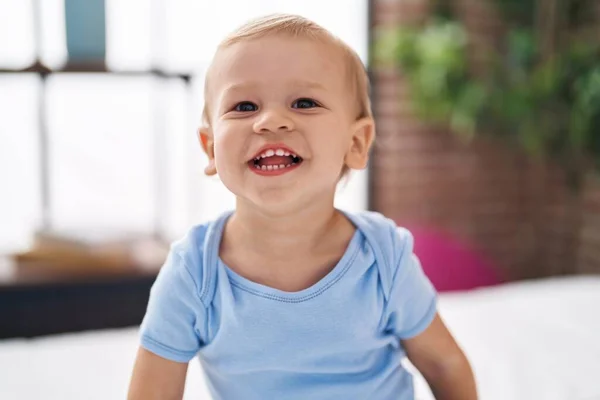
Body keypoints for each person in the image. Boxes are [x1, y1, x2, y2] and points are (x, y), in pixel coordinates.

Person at [128, 13, 477, 400]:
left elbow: (445, 364)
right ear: (211, 147)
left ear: (357, 143)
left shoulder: (383, 259)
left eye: (304, 102)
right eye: (244, 106)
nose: (271, 121)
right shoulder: (195, 273)